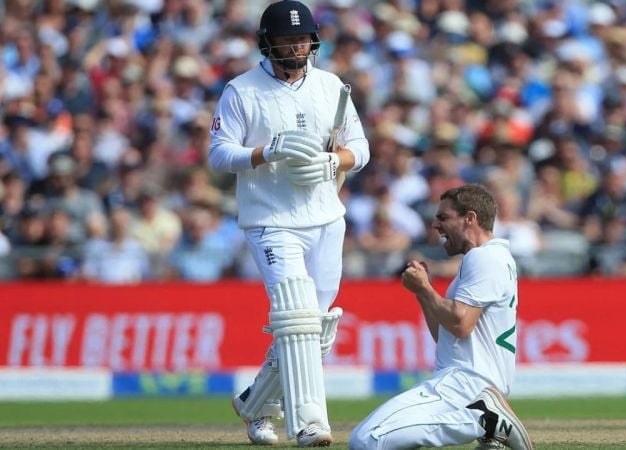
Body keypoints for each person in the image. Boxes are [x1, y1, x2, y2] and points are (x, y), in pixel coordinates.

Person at [207, 0, 369, 447]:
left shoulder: (331, 86)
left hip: (326, 216)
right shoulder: (241, 91)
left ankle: (257, 405)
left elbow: (361, 147)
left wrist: (336, 161)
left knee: (316, 325)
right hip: (271, 220)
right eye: (287, 39)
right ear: (268, 42)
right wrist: (266, 152)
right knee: (296, 316)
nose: (297, 46)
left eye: (302, 38)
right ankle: (310, 423)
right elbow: (220, 154)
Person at [349, 184, 532, 450]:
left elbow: (460, 324)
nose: (435, 225)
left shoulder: (484, 258)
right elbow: (444, 332)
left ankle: (489, 421)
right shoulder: (491, 258)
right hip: (469, 384)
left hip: (466, 385)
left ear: (470, 218)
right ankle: (490, 423)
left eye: (443, 217)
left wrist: (424, 288)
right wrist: (422, 292)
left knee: (368, 439)